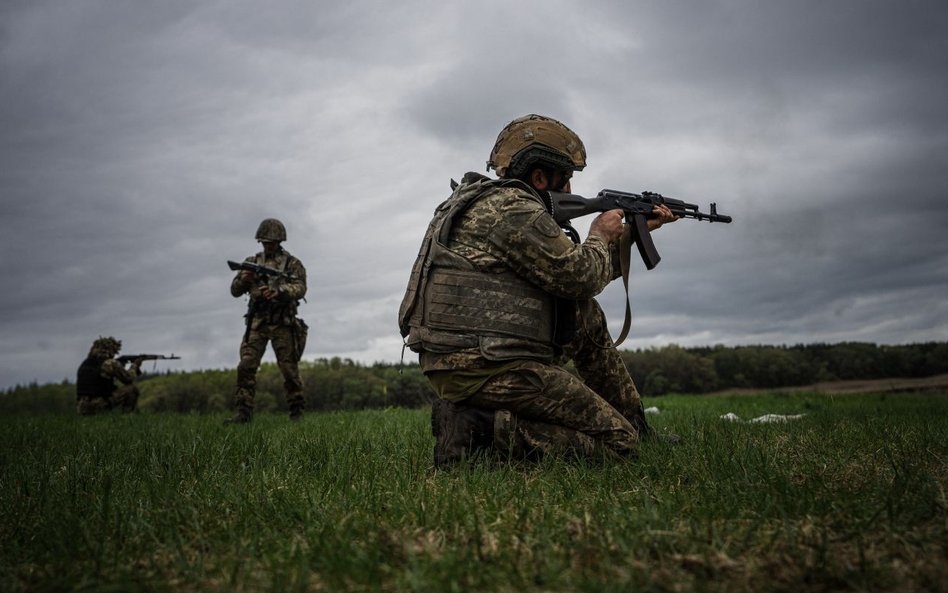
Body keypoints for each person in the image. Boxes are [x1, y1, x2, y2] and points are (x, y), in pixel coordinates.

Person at [398, 114, 679, 466]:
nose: (572, 193)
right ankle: (477, 431)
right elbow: (580, 276)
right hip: (486, 366)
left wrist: (632, 236)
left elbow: (571, 282)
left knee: (584, 315)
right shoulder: (513, 209)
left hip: (469, 360)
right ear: (540, 177)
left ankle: (637, 424)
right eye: (567, 180)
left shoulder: (485, 203)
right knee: (619, 447)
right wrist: (599, 234)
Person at [227, 218, 308, 423]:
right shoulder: (252, 262)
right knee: (246, 366)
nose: (268, 245)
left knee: (289, 370)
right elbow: (235, 291)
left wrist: (279, 291)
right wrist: (243, 279)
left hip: (283, 322)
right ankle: (242, 412)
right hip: (257, 322)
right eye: (264, 242)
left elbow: (300, 288)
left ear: (280, 241)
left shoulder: (292, 264)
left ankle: (296, 412)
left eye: (271, 242)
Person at [76, 336, 141, 415]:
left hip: (82, 408)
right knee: (132, 389)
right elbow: (129, 378)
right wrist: (134, 366)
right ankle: (128, 416)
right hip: (97, 406)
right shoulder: (109, 363)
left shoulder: (85, 364)